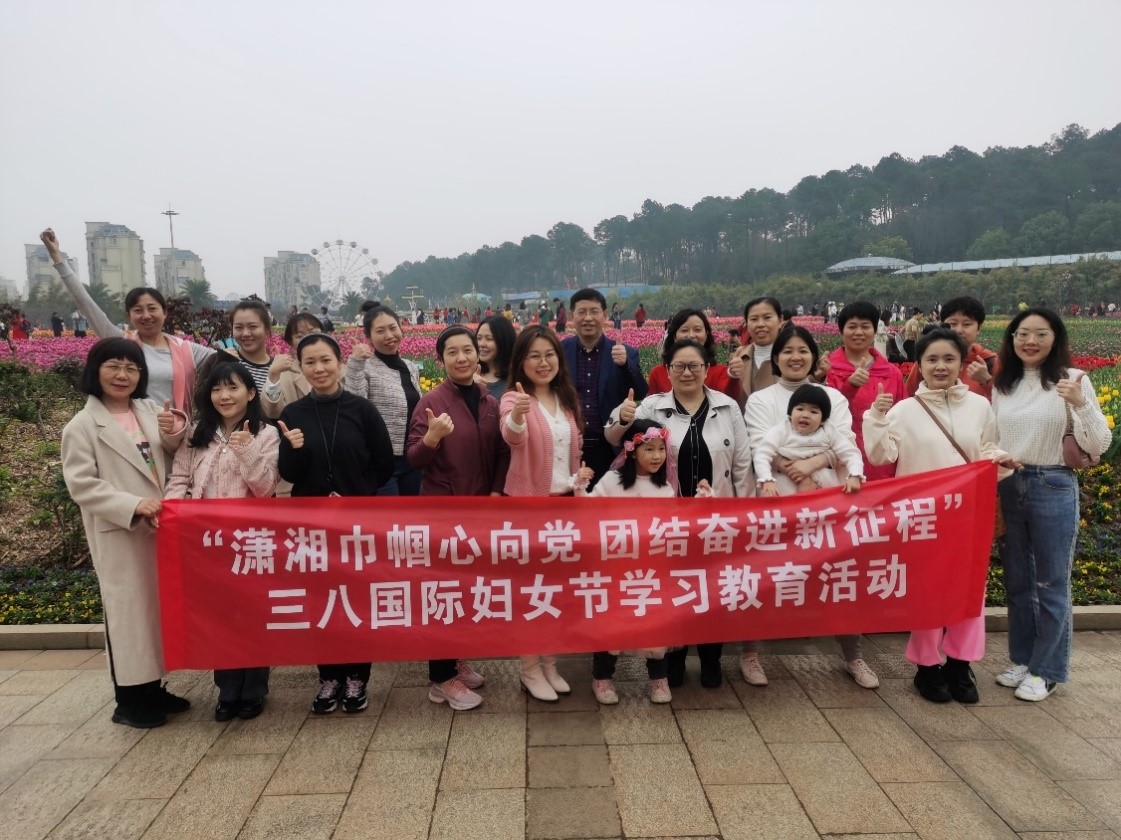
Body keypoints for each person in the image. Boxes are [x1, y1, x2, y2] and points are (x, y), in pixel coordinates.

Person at [864, 328, 1017, 704]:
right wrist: (876, 417)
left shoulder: (979, 407)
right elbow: (881, 455)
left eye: (949, 359)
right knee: (928, 593)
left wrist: (1000, 460)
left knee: (970, 593)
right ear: (919, 364)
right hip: (922, 520)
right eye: (931, 359)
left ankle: (960, 665)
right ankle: (927, 666)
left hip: (968, 516)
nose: (940, 366)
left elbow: (986, 449)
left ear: (962, 363)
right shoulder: (904, 411)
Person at [607, 338, 753, 689]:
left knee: (713, 591)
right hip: (667, 523)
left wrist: (745, 515)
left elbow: (742, 464)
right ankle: (674, 658)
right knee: (673, 591)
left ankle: (711, 659)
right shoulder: (652, 406)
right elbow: (614, 437)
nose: (687, 372)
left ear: (707, 369)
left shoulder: (727, 408)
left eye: (694, 366)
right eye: (679, 366)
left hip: (715, 521)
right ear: (667, 370)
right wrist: (622, 418)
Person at [61, 337, 191, 728]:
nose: (123, 375)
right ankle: (129, 702)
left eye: (132, 368)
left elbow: (173, 451)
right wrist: (132, 505)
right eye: (114, 366)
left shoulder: (148, 410)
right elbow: (82, 485)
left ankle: (153, 687)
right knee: (127, 614)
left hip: (158, 527)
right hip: (121, 531)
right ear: (95, 370)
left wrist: (175, 429)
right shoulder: (82, 426)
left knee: (154, 611)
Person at [744, 326, 878, 690]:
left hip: (827, 505)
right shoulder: (760, 400)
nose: (795, 357)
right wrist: (797, 471)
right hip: (777, 503)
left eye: (803, 350)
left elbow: (846, 443)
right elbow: (759, 446)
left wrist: (812, 464)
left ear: (813, 356)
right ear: (776, 358)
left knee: (839, 577)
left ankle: (853, 655)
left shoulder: (833, 397)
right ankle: (750, 654)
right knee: (762, 579)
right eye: (787, 351)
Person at [991, 308, 1111, 701]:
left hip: (1053, 484)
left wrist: (1081, 404)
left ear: (1055, 338)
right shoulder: (1003, 385)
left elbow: (1099, 443)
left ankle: (1047, 671)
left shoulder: (1073, 380)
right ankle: (1024, 659)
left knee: (1051, 583)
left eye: (1041, 334)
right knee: (1018, 582)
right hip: (1009, 483)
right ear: (1011, 338)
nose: (1031, 341)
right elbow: (992, 436)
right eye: (1023, 333)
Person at [278, 333, 394, 714]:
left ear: (341, 363)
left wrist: (355, 493)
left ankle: (357, 676)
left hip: (356, 524)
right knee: (321, 600)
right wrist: (293, 449)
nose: (319, 368)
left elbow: (383, 464)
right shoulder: (293, 414)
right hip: (312, 526)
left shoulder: (363, 410)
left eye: (326, 360)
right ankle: (329, 676)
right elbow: (288, 473)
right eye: (310, 362)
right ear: (300, 368)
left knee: (357, 599)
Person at [162, 361, 279, 721]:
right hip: (206, 542)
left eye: (232, 388)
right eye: (216, 389)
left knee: (251, 613)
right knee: (219, 616)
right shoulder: (197, 433)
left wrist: (247, 451)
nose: (224, 396)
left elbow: (266, 488)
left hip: (249, 541)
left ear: (251, 393)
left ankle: (254, 688)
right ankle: (227, 688)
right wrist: (172, 515)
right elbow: (179, 478)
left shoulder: (266, 434)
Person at [407, 326, 510, 711]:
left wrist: (497, 491)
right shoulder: (431, 402)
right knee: (443, 592)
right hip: (444, 513)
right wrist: (432, 437)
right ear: (441, 359)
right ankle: (441, 677)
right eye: (452, 352)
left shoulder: (488, 401)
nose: (462, 358)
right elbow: (414, 457)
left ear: (478, 354)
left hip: (479, 510)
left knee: (466, 591)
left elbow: (502, 452)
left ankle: (456, 659)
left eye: (468, 349)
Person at [42, 228, 215, 412]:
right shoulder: (122, 343)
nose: (146, 315)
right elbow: (86, 304)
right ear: (129, 315)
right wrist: (56, 256)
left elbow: (227, 361)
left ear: (165, 313)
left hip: (177, 427)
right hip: (131, 427)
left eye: (152, 309)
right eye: (138, 310)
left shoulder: (187, 350)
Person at [500, 325, 584, 702]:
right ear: (521, 361)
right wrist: (518, 415)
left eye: (549, 354)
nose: (543, 362)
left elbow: (570, 455)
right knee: (531, 592)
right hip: (530, 509)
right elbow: (512, 436)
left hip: (565, 507)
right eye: (533, 355)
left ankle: (550, 662)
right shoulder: (514, 399)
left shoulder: (566, 399)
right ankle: (529, 669)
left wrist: (579, 479)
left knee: (556, 593)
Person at [576, 419, 680, 705]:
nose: (657, 456)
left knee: (655, 625)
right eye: (649, 449)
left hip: (652, 570)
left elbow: (675, 527)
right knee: (611, 625)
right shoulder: (612, 482)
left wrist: (705, 500)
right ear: (632, 451)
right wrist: (580, 485)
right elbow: (587, 512)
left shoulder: (665, 489)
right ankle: (602, 678)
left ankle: (659, 679)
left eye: (661, 449)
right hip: (615, 569)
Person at [561, 288, 648, 485]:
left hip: (610, 448)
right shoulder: (560, 352)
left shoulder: (625, 352)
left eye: (594, 311)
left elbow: (641, 392)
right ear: (572, 316)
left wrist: (626, 365)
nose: (588, 318)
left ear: (605, 315)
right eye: (582, 312)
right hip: (568, 448)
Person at [345, 304, 422, 496]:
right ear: (369, 337)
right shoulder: (365, 367)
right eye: (380, 331)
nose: (389, 335)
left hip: (412, 457)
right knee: (388, 513)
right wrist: (355, 364)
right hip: (382, 460)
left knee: (413, 512)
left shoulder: (411, 367)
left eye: (393, 328)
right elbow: (355, 406)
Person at [825, 301, 906, 482]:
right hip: (841, 460)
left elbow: (903, 420)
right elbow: (822, 415)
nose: (859, 332)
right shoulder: (828, 370)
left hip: (881, 462)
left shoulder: (891, 373)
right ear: (841, 330)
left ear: (874, 330)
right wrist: (849, 387)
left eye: (865, 326)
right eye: (852, 326)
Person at [754, 384, 864, 496]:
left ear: (823, 420)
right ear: (790, 413)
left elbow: (851, 453)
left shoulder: (828, 431)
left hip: (826, 492)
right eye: (800, 409)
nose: (805, 415)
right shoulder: (781, 430)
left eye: (813, 412)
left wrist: (855, 475)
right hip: (787, 491)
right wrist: (766, 479)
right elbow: (762, 454)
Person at [905, 296, 999, 399]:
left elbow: (1005, 402)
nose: (959, 330)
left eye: (967, 324)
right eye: (953, 324)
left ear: (978, 328)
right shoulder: (928, 359)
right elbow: (909, 396)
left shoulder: (990, 362)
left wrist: (987, 381)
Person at [647, 309, 739, 401]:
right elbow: (651, 405)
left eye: (697, 330)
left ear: (706, 335)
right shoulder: (657, 373)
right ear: (674, 336)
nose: (691, 335)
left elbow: (728, 402)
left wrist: (734, 376)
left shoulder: (720, 372)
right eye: (684, 330)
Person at [729, 297, 803, 410]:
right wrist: (731, 376)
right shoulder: (739, 356)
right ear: (747, 323)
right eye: (754, 319)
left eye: (767, 317)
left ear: (780, 320)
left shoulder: (795, 358)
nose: (760, 324)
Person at [261, 313, 322, 420]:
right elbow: (272, 412)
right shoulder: (286, 373)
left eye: (313, 333)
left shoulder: (337, 368)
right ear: (291, 342)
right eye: (300, 336)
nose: (308, 339)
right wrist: (273, 374)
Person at [223, 300, 275, 392]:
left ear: (266, 328)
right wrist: (221, 363)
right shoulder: (223, 361)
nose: (246, 333)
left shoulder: (279, 369)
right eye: (238, 327)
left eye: (253, 327)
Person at [475, 314, 517, 400]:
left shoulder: (516, 378)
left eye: (489, 339)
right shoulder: (469, 374)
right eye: (478, 338)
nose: (481, 344)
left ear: (504, 341)